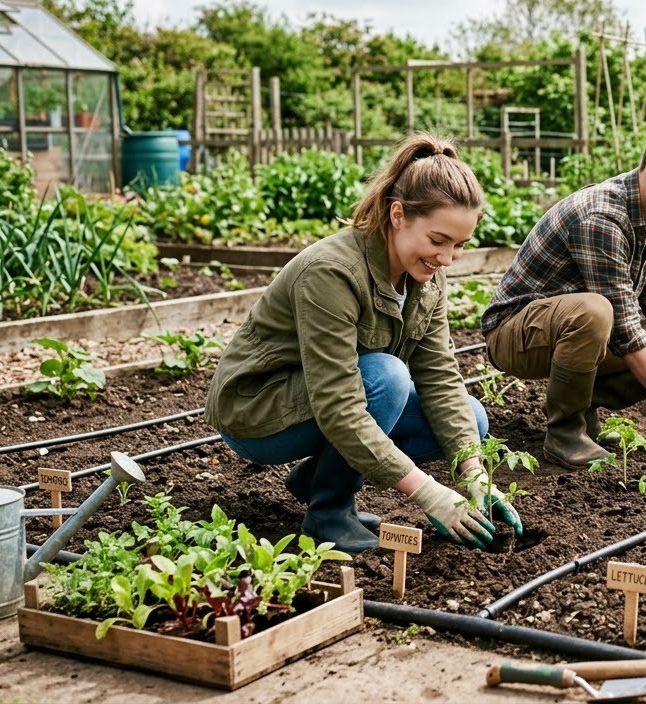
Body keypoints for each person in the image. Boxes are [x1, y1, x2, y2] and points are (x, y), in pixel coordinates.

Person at [206, 134, 518, 554]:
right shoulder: (331, 272)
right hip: (258, 411)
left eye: (459, 246)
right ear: (397, 214)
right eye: (438, 240)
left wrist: (473, 474)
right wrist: (427, 492)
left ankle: (316, 477)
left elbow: (440, 376)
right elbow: (338, 402)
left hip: (326, 402)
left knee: (472, 420)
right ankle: (328, 513)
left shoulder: (426, 278)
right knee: (386, 377)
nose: (446, 258)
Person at [481, 117, 646, 467]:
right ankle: (564, 433)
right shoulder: (602, 216)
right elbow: (626, 331)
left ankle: (582, 410)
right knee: (596, 312)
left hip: (579, 330)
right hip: (515, 334)